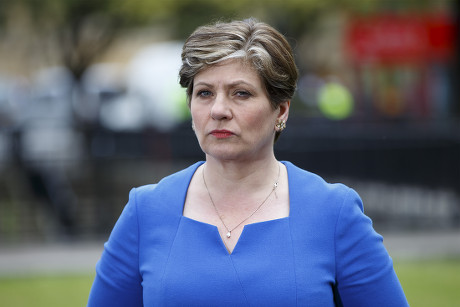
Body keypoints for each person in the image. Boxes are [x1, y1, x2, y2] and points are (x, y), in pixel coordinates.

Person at [88, 18, 408, 306]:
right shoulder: (145, 211)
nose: (218, 110)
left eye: (240, 93)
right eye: (204, 93)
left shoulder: (333, 212)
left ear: (280, 110)